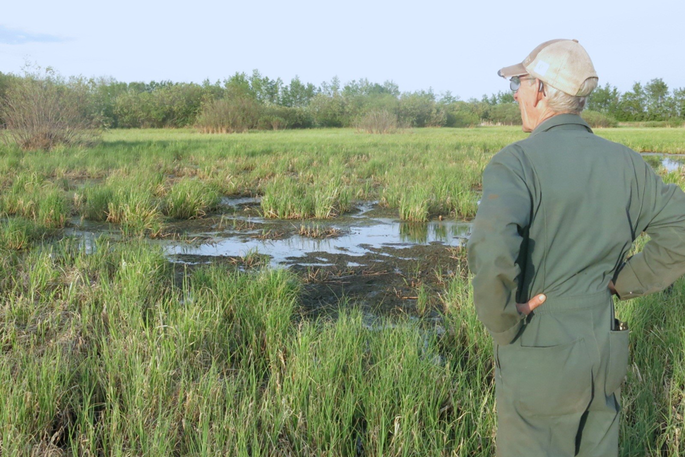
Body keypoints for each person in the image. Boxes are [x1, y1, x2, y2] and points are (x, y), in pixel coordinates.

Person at [467, 39, 685, 457]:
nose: (515, 94)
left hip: (539, 347)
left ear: (543, 90)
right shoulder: (625, 162)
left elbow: (492, 250)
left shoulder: (516, 163)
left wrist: (503, 322)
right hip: (603, 346)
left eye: (519, 82)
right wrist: (623, 283)